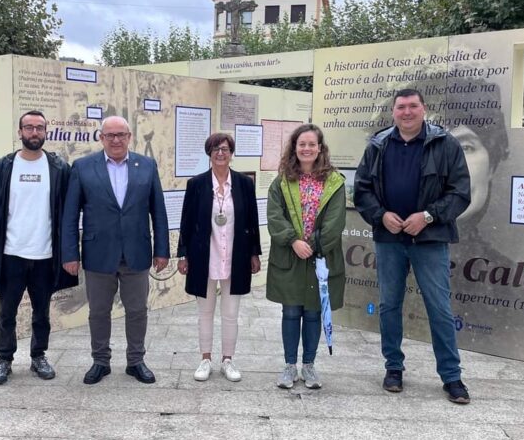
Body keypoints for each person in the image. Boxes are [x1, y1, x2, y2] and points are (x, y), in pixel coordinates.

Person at [354, 88, 473, 404]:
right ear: (393, 111)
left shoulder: (445, 144)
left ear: (424, 109)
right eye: (401, 107)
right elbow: (362, 191)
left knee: (439, 308)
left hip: (430, 239)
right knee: (389, 305)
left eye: (413, 106)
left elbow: (460, 192)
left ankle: (452, 377)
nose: (407, 112)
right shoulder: (378, 145)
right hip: (390, 239)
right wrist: (381, 216)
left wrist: (429, 215)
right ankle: (393, 368)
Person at [61, 115, 169, 385]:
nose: (116, 139)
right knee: (98, 311)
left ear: (130, 136)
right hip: (99, 253)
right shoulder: (83, 167)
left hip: (137, 251)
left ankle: (136, 361)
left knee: (137, 310)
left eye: (121, 134)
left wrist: (162, 250)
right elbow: (70, 215)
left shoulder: (146, 165)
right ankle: (100, 361)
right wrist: (70, 253)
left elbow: (159, 211)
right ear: (101, 138)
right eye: (110, 135)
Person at [0, 110, 76, 385]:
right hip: (10, 254)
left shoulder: (59, 168)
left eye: (40, 128)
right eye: (29, 128)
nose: (35, 133)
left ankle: (38, 356)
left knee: (42, 312)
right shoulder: (3, 167)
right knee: (7, 311)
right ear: (20, 132)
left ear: (46, 132)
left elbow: (68, 212)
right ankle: (4, 359)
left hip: (45, 254)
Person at [176, 133, 262, 382]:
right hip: (205, 254)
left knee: (231, 312)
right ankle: (205, 359)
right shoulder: (197, 184)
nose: (220, 153)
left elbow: (253, 221)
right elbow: (186, 222)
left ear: (231, 152)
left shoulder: (244, 184)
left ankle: (228, 360)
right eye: (215, 149)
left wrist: (254, 253)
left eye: (224, 148)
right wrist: (183, 255)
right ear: (209, 153)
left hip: (236, 255)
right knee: (205, 311)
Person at [266, 124, 346, 389]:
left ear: (320, 148)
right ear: (294, 147)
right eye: (302, 144)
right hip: (290, 256)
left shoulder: (334, 181)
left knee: (313, 313)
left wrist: (311, 244)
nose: (307, 149)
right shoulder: (282, 181)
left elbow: (335, 221)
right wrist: (293, 241)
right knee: (290, 311)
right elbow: (274, 216)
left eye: (312, 144)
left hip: (319, 257)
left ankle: (309, 366)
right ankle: (289, 366)